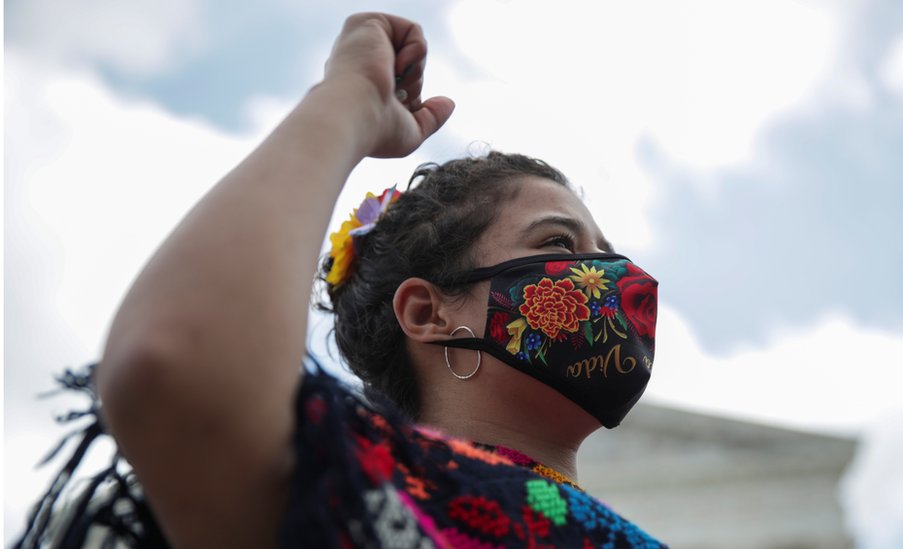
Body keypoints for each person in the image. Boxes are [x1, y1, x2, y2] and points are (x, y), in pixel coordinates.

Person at [16, 12, 665, 549]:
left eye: (606, 252)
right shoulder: (369, 489)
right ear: (429, 313)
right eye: (559, 244)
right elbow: (178, 362)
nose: (612, 275)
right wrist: (347, 102)